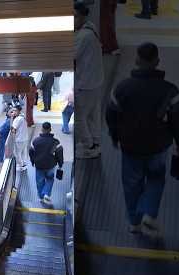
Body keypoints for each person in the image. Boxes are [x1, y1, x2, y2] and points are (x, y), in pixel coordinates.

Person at [106, 42, 179, 238]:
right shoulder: (170, 90)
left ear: (136, 61)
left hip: (130, 146)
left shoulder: (122, 88)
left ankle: (134, 222)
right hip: (158, 145)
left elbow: (111, 114)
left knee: (131, 183)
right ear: (157, 61)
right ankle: (149, 213)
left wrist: (114, 136)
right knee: (156, 178)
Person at [74, 2, 104, 159]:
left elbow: (71, 55)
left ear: (83, 16)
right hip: (96, 80)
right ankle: (96, 143)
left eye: (75, 16)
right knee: (93, 115)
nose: (72, 20)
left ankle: (89, 146)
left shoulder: (83, 36)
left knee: (80, 118)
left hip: (85, 83)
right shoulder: (91, 27)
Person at [29, 122, 63, 205]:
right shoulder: (55, 142)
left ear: (42, 129)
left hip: (39, 165)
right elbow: (59, 153)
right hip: (50, 165)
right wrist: (60, 164)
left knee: (39, 181)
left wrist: (33, 161)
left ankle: (41, 197)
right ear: (50, 130)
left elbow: (31, 152)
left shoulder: (35, 141)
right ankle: (46, 194)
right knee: (50, 179)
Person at [11, 105, 28, 171]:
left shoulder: (17, 119)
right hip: (25, 137)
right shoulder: (23, 116)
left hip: (19, 139)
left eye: (15, 110)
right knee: (24, 152)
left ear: (18, 111)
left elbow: (13, 129)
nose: (14, 112)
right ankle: (24, 164)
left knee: (17, 153)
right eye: (13, 111)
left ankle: (21, 166)